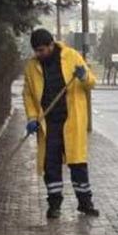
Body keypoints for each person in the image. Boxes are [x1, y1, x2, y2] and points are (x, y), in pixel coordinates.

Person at [23, 29, 99, 219]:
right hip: (48, 124)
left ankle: (85, 203)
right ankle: (54, 204)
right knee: (51, 165)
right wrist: (32, 118)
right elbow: (28, 95)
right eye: (36, 51)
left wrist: (83, 76)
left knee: (78, 164)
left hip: (72, 121)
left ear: (51, 45)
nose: (38, 54)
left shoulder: (72, 56)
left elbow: (91, 83)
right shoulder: (32, 67)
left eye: (41, 50)